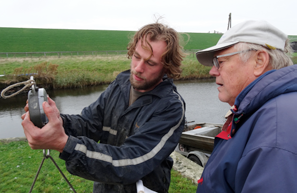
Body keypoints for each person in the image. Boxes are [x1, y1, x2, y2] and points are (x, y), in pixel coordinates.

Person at [21, 22, 186, 193]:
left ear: (167, 67)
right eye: (136, 56)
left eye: (150, 63)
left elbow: (131, 162)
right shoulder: (120, 84)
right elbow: (88, 124)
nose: (138, 68)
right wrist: (55, 120)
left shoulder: (171, 108)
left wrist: (65, 145)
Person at [195, 20, 297, 192]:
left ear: (259, 61)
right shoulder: (261, 112)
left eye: (220, 61)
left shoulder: (275, 128)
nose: (213, 71)